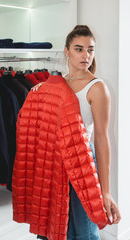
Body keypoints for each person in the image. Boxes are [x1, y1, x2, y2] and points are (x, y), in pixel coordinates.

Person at [32, 25, 121, 240]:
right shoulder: (57, 83)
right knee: (55, 228)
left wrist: (105, 192)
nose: (86, 55)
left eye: (90, 50)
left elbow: (101, 139)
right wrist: (39, 93)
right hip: (54, 164)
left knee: (84, 231)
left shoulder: (97, 88)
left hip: (82, 162)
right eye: (79, 49)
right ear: (67, 51)